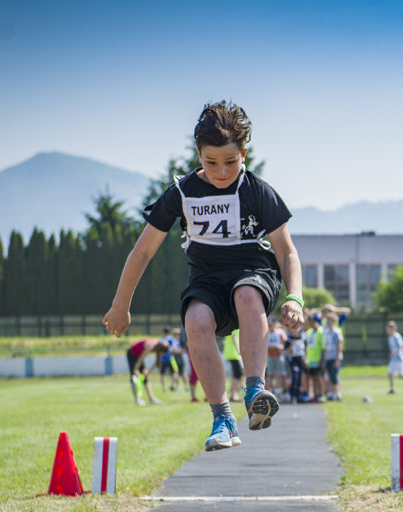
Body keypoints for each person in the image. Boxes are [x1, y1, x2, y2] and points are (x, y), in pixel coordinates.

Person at [103, 100, 304, 451]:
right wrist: (120, 305)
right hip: (208, 280)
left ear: (244, 153)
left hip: (253, 271)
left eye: (230, 161)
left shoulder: (257, 191)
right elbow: (143, 251)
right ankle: (222, 419)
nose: (221, 171)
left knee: (246, 295)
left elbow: (287, 251)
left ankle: (255, 389)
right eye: (211, 162)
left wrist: (295, 297)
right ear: (198, 154)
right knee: (195, 320)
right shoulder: (181, 193)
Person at [126, 338, 169, 406]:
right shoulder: (150, 346)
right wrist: (136, 369)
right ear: (160, 350)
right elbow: (141, 358)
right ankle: (137, 399)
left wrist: (148, 372)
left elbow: (156, 363)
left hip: (139, 356)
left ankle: (152, 399)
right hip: (132, 354)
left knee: (145, 378)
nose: (161, 355)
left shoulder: (158, 345)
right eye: (162, 353)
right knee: (134, 378)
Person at [322, 312, 344, 401]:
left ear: (334, 322)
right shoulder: (327, 332)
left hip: (334, 357)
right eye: (327, 321)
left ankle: (337, 393)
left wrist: (337, 359)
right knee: (329, 375)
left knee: (334, 375)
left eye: (330, 321)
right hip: (328, 356)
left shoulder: (336, 332)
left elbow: (339, 345)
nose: (328, 323)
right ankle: (330, 393)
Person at [304, 312, 326, 401]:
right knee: (313, 379)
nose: (309, 324)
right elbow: (307, 347)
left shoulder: (321, 331)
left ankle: (321, 394)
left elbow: (323, 347)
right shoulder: (308, 332)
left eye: (310, 322)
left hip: (318, 359)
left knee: (319, 378)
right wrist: (306, 358)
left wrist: (322, 360)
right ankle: (315, 395)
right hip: (310, 360)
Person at [266, 320, 287, 395]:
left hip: (279, 356)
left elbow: (284, 344)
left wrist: (280, 347)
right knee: (270, 374)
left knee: (282, 373)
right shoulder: (267, 332)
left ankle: (284, 390)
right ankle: (272, 390)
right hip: (270, 356)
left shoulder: (280, 332)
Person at [223, 330, 244, 402]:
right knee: (238, 373)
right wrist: (238, 350)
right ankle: (233, 395)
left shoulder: (230, 325)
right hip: (234, 353)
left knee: (238, 373)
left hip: (231, 353)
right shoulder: (235, 326)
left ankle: (233, 393)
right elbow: (234, 337)